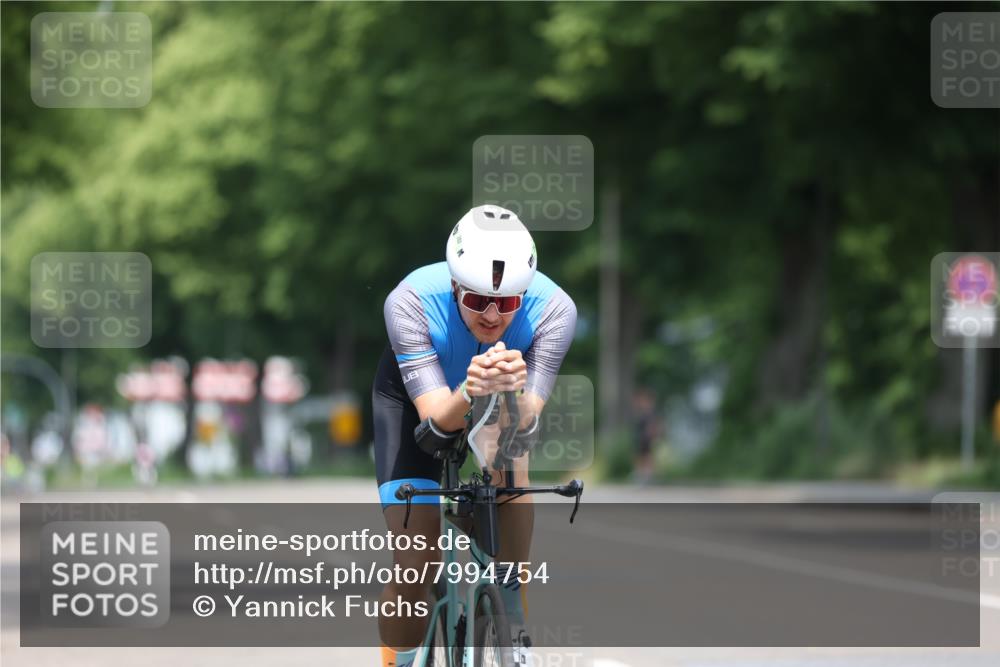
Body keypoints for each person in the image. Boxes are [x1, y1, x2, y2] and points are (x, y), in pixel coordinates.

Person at [373, 204, 577, 666]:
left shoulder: (555, 310)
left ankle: (512, 629)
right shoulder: (409, 301)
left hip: (498, 399)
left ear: (524, 293)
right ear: (454, 285)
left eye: (506, 304)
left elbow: (525, 424)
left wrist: (511, 393)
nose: (491, 315)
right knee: (415, 565)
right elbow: (434, 427)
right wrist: (468, 388)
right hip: (414, 405)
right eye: (477, 300)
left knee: (511, 478)